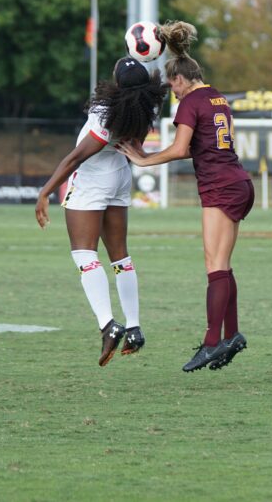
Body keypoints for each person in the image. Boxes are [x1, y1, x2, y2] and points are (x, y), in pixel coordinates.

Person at [118, 21, 253, 373]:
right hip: (237, 180)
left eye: (172, 86)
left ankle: (211, 343)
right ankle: (232, 335)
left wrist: (143, 159)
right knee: (223, 265)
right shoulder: (217, 95)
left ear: (180, 79)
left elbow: (180, 148)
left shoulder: (190, 101)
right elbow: (213, 142)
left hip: (220, 185)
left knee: (214, 266)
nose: (172, 93)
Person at [35, 58, 167, 367]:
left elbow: (75, 158)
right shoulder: (145, 106)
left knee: (84, 254)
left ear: (118, 83)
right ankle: (133, 327)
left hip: (95, 178)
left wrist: (45, 191)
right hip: (120, 174)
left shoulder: (107, 114)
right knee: (120, 257)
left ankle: (108, 324)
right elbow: (135, 145)